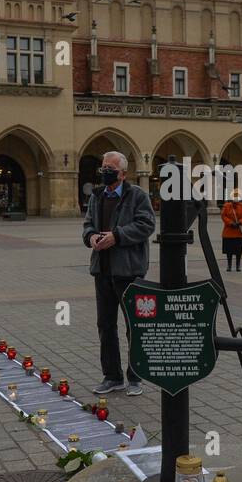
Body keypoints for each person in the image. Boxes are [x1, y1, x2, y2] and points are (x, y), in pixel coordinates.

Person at [82, 151, 155, 397]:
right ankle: (112, 376)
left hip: (129, 271)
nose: (105, 172)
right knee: (105, 325)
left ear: (123, 173)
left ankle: (135, 377)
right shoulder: (97, 196)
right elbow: (88, 224)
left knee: (134, 325)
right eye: (103, 167)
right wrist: (91, 236)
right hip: (102, 269)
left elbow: (146, 225)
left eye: (110, 168)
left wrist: (118, 236)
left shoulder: (137, 196)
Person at [221, 190, 242, 272]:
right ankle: (229, 265)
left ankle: (238, 265)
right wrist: (230, 223)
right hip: (229, 232)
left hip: (239, 232)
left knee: (239, 251)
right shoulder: (226, 206)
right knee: (229, 251)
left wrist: (240, 222)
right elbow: (223, 216)